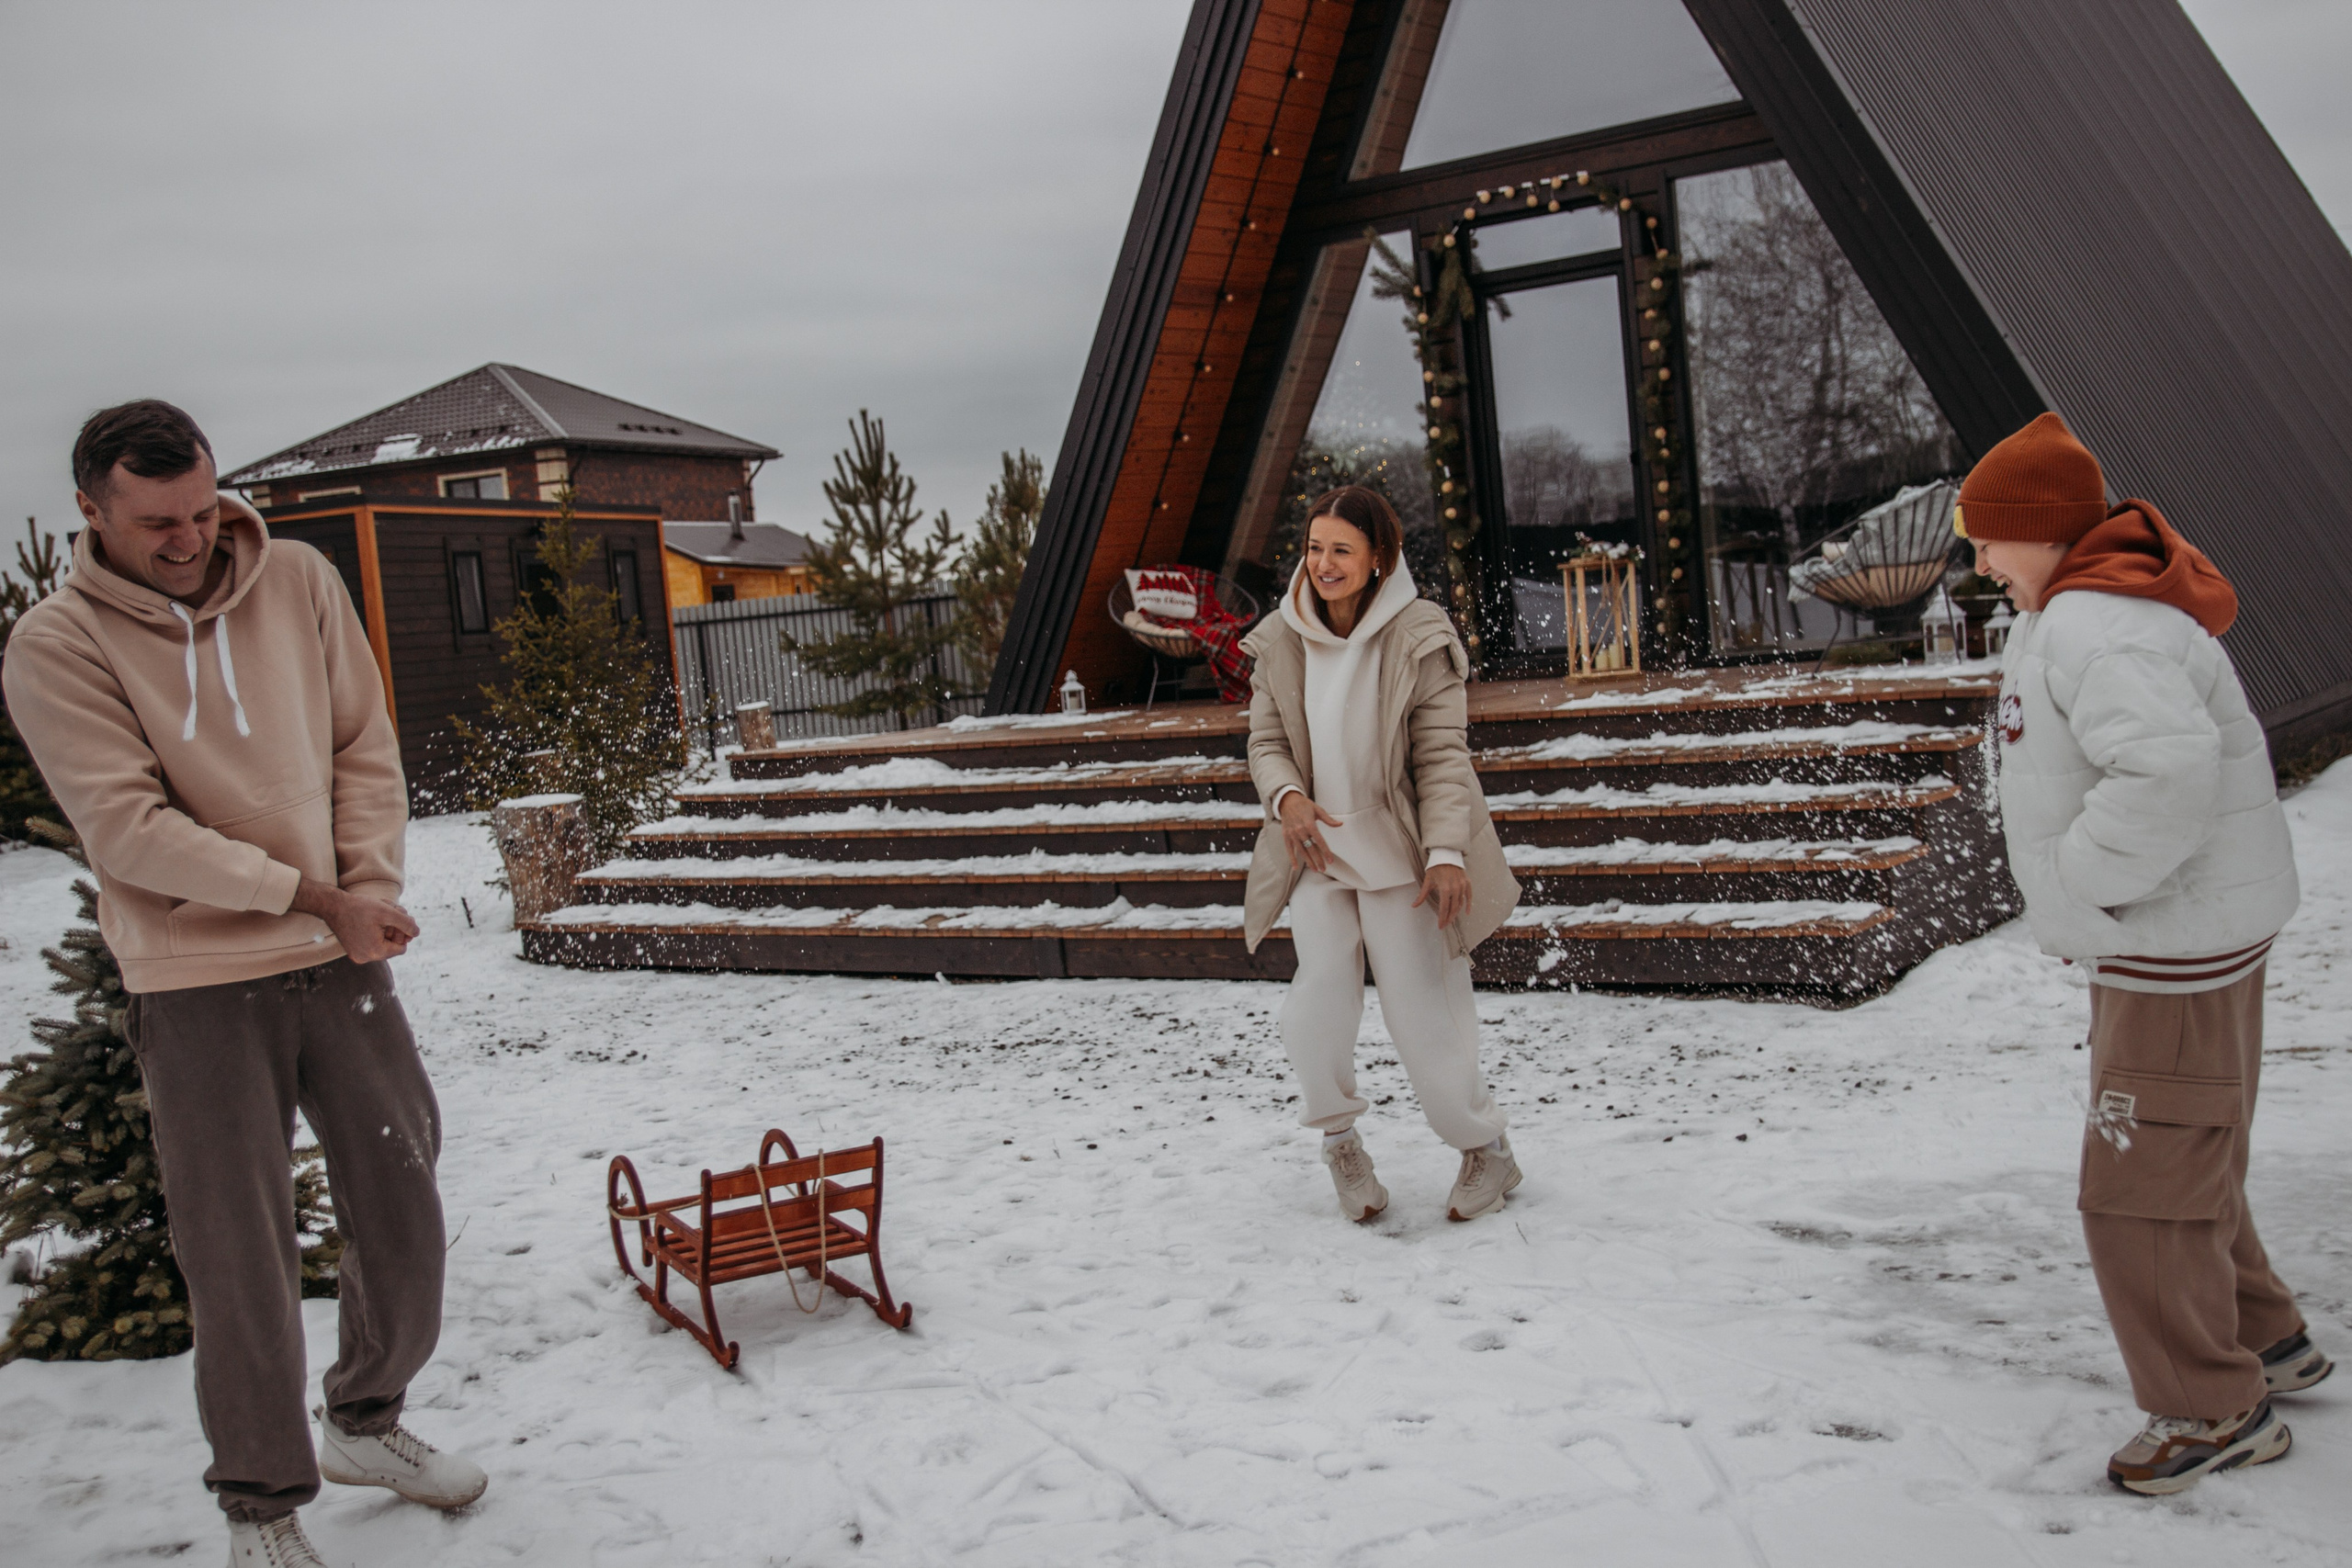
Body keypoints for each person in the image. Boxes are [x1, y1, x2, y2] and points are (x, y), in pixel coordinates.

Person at [4, 401, 485, 1567]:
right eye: (157, 520)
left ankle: (366, 1422)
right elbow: (127, 829)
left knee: (404, 1203)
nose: (189, 538)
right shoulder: (56, 645)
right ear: (91, 510)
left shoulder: (301, 581)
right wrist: (312, 897)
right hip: (197, 982)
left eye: (205, 509)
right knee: (240, 1252)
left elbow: (362, 747)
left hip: (338, 959)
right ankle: (261, 1504)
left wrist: (362, 890)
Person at [1961, 412, 2326, 1497]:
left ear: (2042, 529)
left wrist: (2081, 882)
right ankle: (2260, 1339)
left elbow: (2161, 777)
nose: (1977, 560)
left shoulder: (2095, 624)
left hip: (2167, 945)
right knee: (2185, 1153)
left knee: (2135, 1194)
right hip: (2189, 937)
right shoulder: (2085, 610)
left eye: (1990, 537)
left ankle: (2210, 1406)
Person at [1238, 486, 1522, 1223]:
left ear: (1378, 561)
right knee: (1316, 1006)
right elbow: (1266, 742)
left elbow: (1442, 758)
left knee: (1423, 1016)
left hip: (1403, 856)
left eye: (1341, 550)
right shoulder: (1282, 636)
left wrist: (1447, 851)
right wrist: (1287, 797)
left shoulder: (1417, 633)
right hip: (1318, 853)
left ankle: (1484, 1149)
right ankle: (1340, 1143)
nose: (1323, 563)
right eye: (1313, 547)